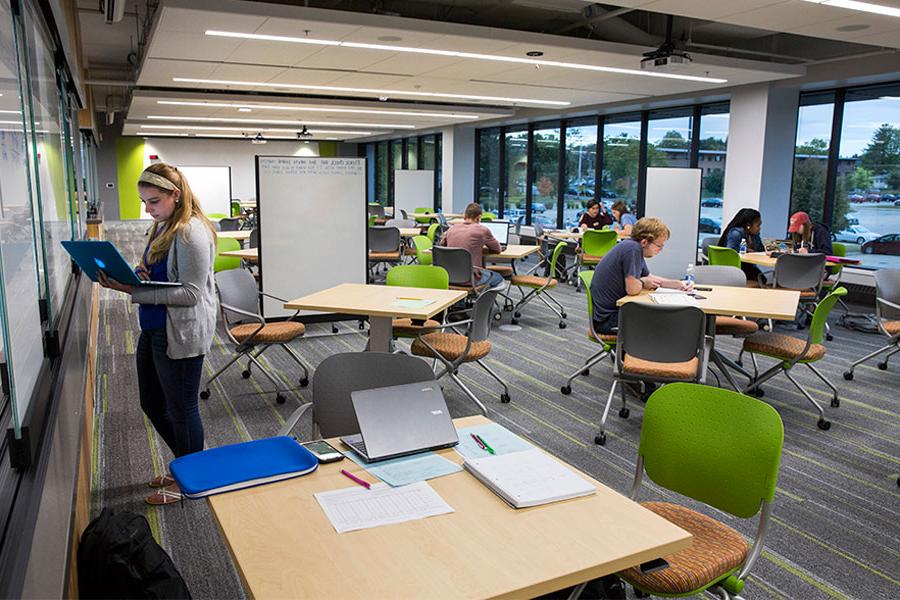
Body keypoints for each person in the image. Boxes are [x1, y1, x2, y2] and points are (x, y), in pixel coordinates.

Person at [97, 163, 217, 506]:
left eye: (153, 201)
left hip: (179, 332)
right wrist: (138, 274)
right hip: (154, 325)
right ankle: (187, 463)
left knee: (182, 409)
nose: (147, 209)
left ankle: (193, 479)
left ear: (175, 196)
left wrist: (130, 290)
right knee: (151, 402)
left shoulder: (190, 233)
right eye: (144, 202)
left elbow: (191, 294)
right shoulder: (162, 227)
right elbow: (158, 272)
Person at [589, 217, 692, 335]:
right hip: (609, 320)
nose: (660, 250)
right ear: (644, 242)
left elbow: (649, 277)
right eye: (659, 245)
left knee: (666, 318)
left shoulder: (632, 247)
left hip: (612, 314)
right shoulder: (632, 250)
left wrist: (677, 284)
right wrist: (643, 282)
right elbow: (632, 289)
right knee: (668, 321)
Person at [441, 202, 504, 288]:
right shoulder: (482, 230)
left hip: (449, 277)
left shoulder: (451, 229)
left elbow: (442, 245)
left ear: (465, 216)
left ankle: (465, 300)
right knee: (498, 278)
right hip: (471, 279)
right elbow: (497, 249)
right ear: (479, 217)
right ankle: (482, 301)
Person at [718, 208, 766, 283]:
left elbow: (761, 249)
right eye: (758, 225)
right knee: (760, 280)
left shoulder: (754, 234)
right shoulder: (736, 233)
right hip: (734, 267)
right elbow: (730, 253)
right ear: (748, 225)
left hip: (746, 266)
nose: (759, 228)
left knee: (762, 279)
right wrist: (748, 250)